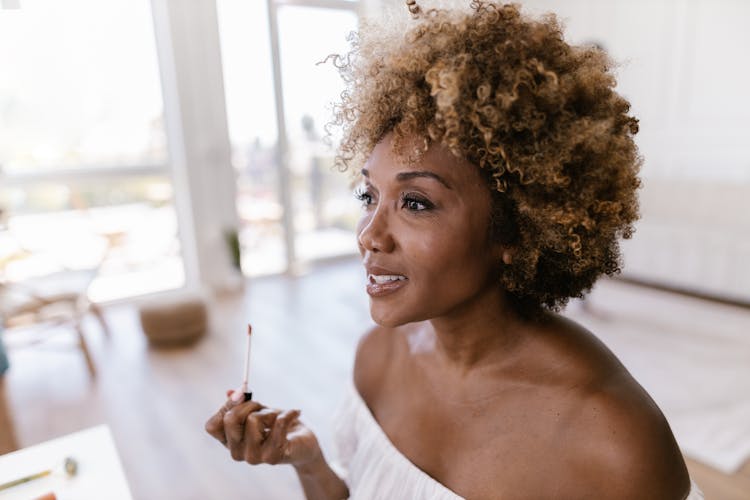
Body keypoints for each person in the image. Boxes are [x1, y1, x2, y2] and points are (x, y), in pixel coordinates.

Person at [205, 2, 704, 498]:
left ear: (515, 229)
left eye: (416, 203)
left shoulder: (614, 441)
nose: (369, 236)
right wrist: (308, 460)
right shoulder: (377, 357)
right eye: (368, 197)